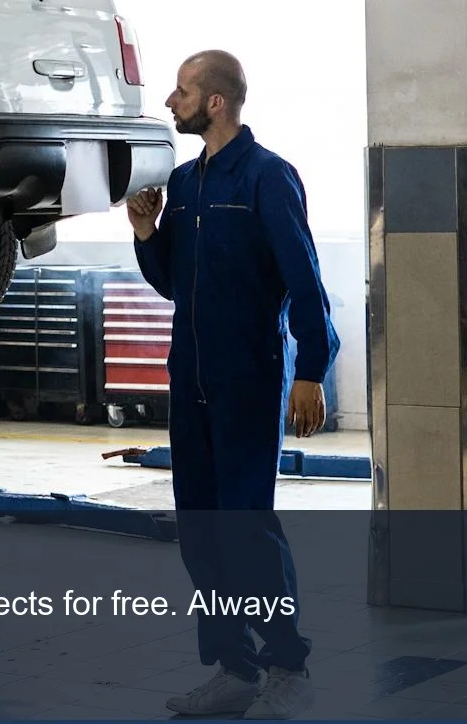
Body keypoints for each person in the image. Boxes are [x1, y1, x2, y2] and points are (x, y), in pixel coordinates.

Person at [127, 50, 338, 721]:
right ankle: (233, 667)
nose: (170, 100)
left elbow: (305, 281)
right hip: (188, 378)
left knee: (245, 528)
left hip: (248, 379)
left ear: (215, 102)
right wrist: (145, 232)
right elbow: (174, 283)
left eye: (183, 91)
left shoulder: (268, 178)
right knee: (200, 533)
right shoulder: (184, 183)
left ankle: (287, 664)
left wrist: (311, 370)